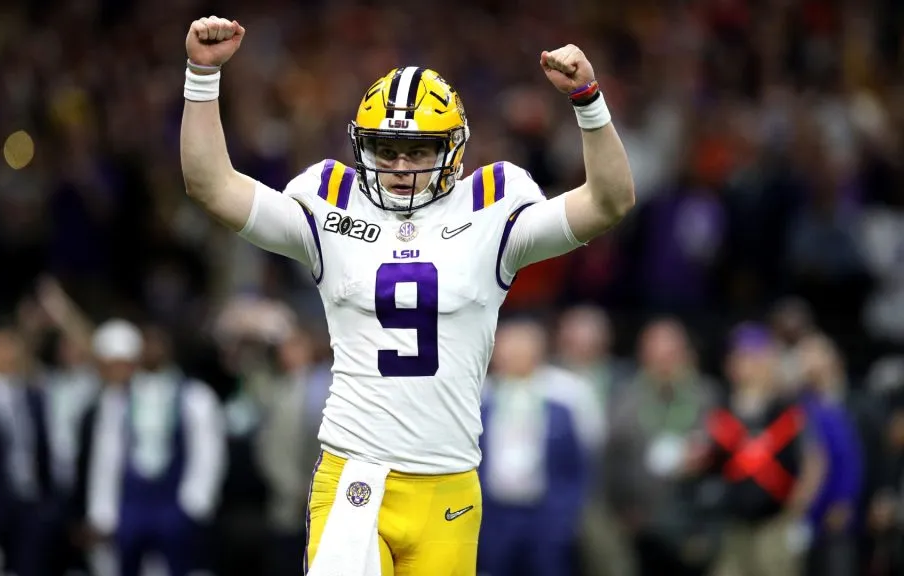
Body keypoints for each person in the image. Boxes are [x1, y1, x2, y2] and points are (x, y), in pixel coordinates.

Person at [179, 14, 635, 576]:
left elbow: (609, 201)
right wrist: (202, 77)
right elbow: (211, 185)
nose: (399, 167)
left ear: (453, 148)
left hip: (449, 484)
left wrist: (589, 101)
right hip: (355, 472)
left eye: (417, 151)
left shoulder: (491, 204)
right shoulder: (330, 201)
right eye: (386, 149)